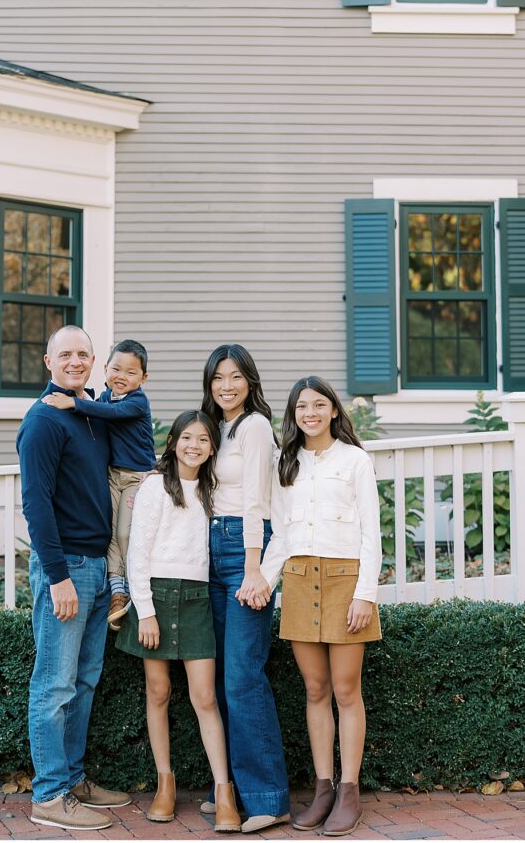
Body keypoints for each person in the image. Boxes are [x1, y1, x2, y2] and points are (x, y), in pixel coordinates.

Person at [254, 376, 382, 837]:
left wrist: (365, 593)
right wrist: (264, 581)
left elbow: (372, 533)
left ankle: (349, 791)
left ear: (333, 411)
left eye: (318, 405)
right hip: (300, 579)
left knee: (347, 691)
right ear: (293, 414)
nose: (310, 413)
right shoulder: (286, 464)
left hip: (346, 581)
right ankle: (323, 788)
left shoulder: (355, 460)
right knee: (315, 690)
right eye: (301, 406)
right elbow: (281, 535)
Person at [16, 325, 131, 832]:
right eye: (66, 354)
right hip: (66, 569)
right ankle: (49, 795)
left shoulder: (90, 414)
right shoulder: (43, 420)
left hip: (98, 567)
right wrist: (58, 576)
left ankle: (73, 779)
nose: (76, 361)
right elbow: (35, 504)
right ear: (48, 361)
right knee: (54, 685)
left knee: (83, 683)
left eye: (84, 354)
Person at [116, 411, 241, 833]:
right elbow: (137, 552)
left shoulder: (212, 489)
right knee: (158, 691)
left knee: (205, 697)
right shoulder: (155, 486)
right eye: (187, 438)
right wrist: (145, 611)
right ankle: (164, 783)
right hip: (156, 594)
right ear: (173, 442)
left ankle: (223, 790)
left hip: (196, 598)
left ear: (211, 449)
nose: (194, 445)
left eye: (203, 439)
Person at [200, 344, 290, 834]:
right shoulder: (220, 429)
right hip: (213, 548)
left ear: (250, 382)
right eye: (218, 377)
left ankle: (268, 798)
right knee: (219, 678)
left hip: (243, 551)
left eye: (235, 377)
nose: (226, 386)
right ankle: (235, 791)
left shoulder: (254, 426)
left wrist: (255, 569)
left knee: (242, 676)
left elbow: (257, 501)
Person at [43, 338, 155, 630]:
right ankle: (117, 591)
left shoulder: (137, 401)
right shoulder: (104, 398)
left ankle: (134, 584)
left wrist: (73, 403)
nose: (122, 377)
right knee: (111, 531)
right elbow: (102, 413)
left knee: (125, 533)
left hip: (136, 478)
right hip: (113, 477)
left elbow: (113, 415)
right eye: (116, 369)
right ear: (104, 368)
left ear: (143, 378)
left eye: (131, 373)